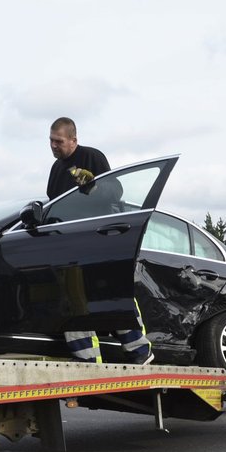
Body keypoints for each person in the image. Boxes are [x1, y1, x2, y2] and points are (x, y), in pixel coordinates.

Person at [45, 117, 153, 365]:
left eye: (58, 141)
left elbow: (115, 191)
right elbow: (54, 204)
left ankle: (140, 352)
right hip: (69, 246)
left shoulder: (91, 157)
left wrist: (93, 184)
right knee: (74, 301)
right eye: (50, 140)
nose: (53, 145)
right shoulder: (56, 169)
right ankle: (87, 360)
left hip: (96, 241)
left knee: (112, 296)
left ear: (73, 140)